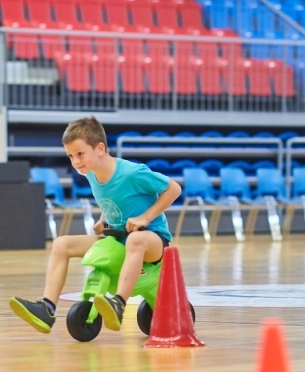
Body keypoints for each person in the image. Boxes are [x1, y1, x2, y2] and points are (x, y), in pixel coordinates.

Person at [9, 116, 181, 334]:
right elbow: (117, 200)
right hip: (117, 237)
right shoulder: (91, 173)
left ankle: (118, 303)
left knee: (136, 240)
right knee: (62, 244)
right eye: (70, 156)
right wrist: (104, 218)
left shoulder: (131, 173)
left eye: (80, 154)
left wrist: (145, 218)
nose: (75, 162)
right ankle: (47, 307)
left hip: (152, 239)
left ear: (100, 148)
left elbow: (173, 189)